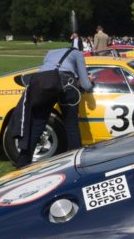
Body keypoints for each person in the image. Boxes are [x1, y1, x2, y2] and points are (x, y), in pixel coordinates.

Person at [14, 35, 94, 167]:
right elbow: (86, 85)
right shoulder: (77, 54)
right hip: (66, 84)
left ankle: (22, 162)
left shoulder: (50, 53)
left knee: (37, 125)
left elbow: (48, 71)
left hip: (43, 84)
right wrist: (90, 81)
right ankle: (75, 162)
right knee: (71, 125)